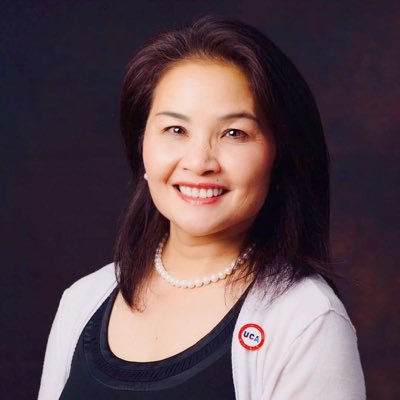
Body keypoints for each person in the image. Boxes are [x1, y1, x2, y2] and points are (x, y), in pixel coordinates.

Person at [38, 15, 366, 399]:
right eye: (176, 130)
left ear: (280, 155)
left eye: (234, 133)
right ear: (142, 144)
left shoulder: (306, 320)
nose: (199, 162)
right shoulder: (82, 301)